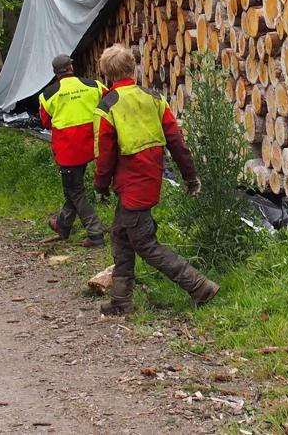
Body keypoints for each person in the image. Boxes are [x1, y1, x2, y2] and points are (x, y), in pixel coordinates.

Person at [92, 44, 218, 315]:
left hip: (131, 185)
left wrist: (100, 187)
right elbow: (176, 140)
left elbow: (104, 154)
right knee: (121, 236)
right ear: (133, 66)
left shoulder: (107, 106)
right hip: (150, 179)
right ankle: (121, 300)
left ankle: (199, 285)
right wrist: (190, 176)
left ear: (106, 74)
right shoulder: (154, 98)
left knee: (145, 244)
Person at [39, 54, 107, 247]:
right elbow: (110, 102)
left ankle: (95, 232)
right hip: (91, 146)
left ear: (55, 73)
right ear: (71, 67)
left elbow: (45, 121)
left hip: (68, 150)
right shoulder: (94, 85)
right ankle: (63, 224)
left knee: (74, 190)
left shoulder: (47, 95)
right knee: (73, 188)